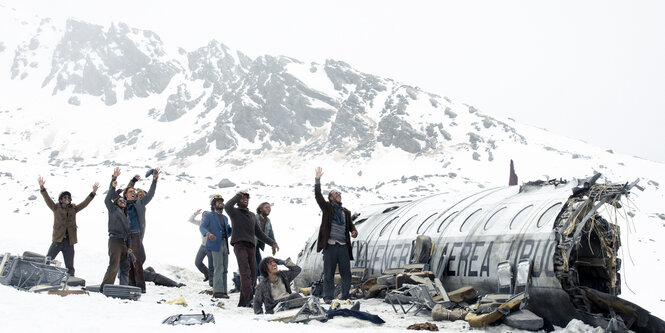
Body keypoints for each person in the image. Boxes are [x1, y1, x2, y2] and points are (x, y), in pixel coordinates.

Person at [225, 190, 279, 307]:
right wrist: (238, 195)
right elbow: (227, 205)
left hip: (251, 247)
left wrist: (272, 243)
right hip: (240, 245)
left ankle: (243, 302)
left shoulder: (251, 216)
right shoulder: (234, 212)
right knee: (245, 273)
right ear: (238, 201)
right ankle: (250, 300)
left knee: (253, 275)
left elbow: (259, 233)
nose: (245, 199)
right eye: (242, 198)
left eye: (246, 198)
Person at [37, 176, 99, 277]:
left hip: (69, 242)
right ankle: (40, 276)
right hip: (58, 240)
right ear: (61, 200)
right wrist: (42, 188)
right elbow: (47, 199)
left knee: (70, 265)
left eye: (69, 197)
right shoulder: (56, 208)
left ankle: (70, 281)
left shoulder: (73, 209)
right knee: (48, 259)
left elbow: (84, 203)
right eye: (65, 197)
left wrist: (93, 193)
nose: (67, 199)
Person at [314, 167, 358, 303]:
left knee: (346, 273)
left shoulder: (346, 212)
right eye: (335, 193)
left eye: (339, 193)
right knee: (329, 273)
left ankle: (345, 296)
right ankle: (328, 297)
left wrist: (354, 231)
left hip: (343, 246)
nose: (339, 194)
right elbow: (318, 196)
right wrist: (317, 180)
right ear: (331, 198)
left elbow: (350, 224)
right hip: (330, 246)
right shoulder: (327, 208)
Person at [117, 170, 159, 292]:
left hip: (135, 234)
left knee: (137, 260)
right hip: (124, 235)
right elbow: (125, 190)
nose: (133, 193)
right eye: (131, 192)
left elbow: (150, 194)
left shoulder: (139, 203)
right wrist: (133, 181)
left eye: (134, 192)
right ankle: (131, 284)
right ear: (125, 195)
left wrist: (155, 180)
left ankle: (140, 287)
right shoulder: (121, 203)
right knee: (129, 260)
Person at [100, 167, 132, 291]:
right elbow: (108, 198)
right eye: (121, 200)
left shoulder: (126, 215)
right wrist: (113, 180)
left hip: (124, 241)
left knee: (125, 266)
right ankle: (105, 287)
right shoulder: (113, 209)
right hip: (114, 240)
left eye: (124, 200)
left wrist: (129, 246)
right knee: (114, 265)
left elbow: (128, 232)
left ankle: (123, 288)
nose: (123, 201)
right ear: (117, 202)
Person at [200, 195, 232, 298]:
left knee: (225, 268)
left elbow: (227, 232)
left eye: (221, 202)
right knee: (218, 267)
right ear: (213, 205)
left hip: (224, 244)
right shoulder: (209, 215)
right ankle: (218, 292)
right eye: (218, 202)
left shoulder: (225, 218)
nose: (221, 203)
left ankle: (224, 291)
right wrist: (208, 234)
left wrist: (233, 229)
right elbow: (202, 227)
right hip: (215, 245)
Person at [189, 209, 214, 285]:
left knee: (211, 265)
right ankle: (207, 274)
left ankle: (212, 281)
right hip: (203, 246)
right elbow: (190, 220)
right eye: (203, 216)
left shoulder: (212, 224)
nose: (204, 217)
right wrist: (195, 213)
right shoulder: (201, 223)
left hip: (210, 247)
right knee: (197, 262)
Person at [254, 202, 275, 286]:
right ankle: (253, 287)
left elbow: (270, 233)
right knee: (254, 266)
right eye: (266, 207)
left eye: (269, 208)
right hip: (251, 244)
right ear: (260, 209)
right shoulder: (254, 218)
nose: (268, 209)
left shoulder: (268, 220)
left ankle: (260, 286)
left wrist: (273, 244)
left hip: (257, 246)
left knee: (260, 266)